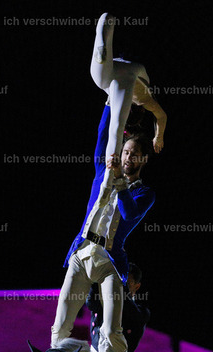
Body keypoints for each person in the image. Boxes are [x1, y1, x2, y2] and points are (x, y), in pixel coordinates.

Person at [51, 107, 155, 352]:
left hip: (109, 262)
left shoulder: (145, 193)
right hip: (82, 253)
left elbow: (128, 212)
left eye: (135, 154)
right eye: (126, 151)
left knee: (111, 330)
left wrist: (120, 181)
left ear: (143, 160)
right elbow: (102, 133)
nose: (128, 157)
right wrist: (112, 102)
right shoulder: (102, 171)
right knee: (60, 325)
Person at [90, 12, 167, 210]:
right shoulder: (141, 98)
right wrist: (158, 138)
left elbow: (161, 117)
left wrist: (159, 136)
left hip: (117, 67)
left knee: (102, 79)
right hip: (124, 75)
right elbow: (114, 128)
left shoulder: (144, 99)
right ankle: (103, 34)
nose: (129, 156)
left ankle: (106, 25)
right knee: (115, 125)